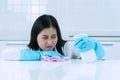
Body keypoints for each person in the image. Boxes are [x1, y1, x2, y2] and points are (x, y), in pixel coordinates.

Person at [1, 14, 105, 62]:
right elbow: (5, 54)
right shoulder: (31, 50)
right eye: (44, 37)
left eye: (54, 37)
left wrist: (94, 46)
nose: (50, 42)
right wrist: (39, 55)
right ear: (35, 36)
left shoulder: (66, 48)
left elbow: (98, 56)